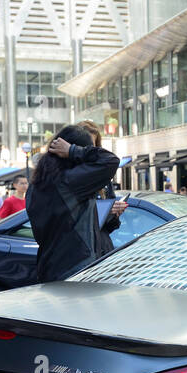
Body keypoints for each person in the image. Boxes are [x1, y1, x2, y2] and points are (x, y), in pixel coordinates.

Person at [26, 125, 120, 282]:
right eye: (89, 148)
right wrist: (74, 151)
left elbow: (66, 220)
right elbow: (111, 160)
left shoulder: (36, 185)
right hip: (77, 269)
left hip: (49, 266)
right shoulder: (69, 182)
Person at [76, 119, 128, 258]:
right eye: (86, 147)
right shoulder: (68, 176)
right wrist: (102, 210)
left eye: (93, 147)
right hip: (79, 252)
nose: (89, 151)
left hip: (102, 248)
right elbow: (72, 219)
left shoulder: (103, 179)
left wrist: (114, 213)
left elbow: (108, 227)